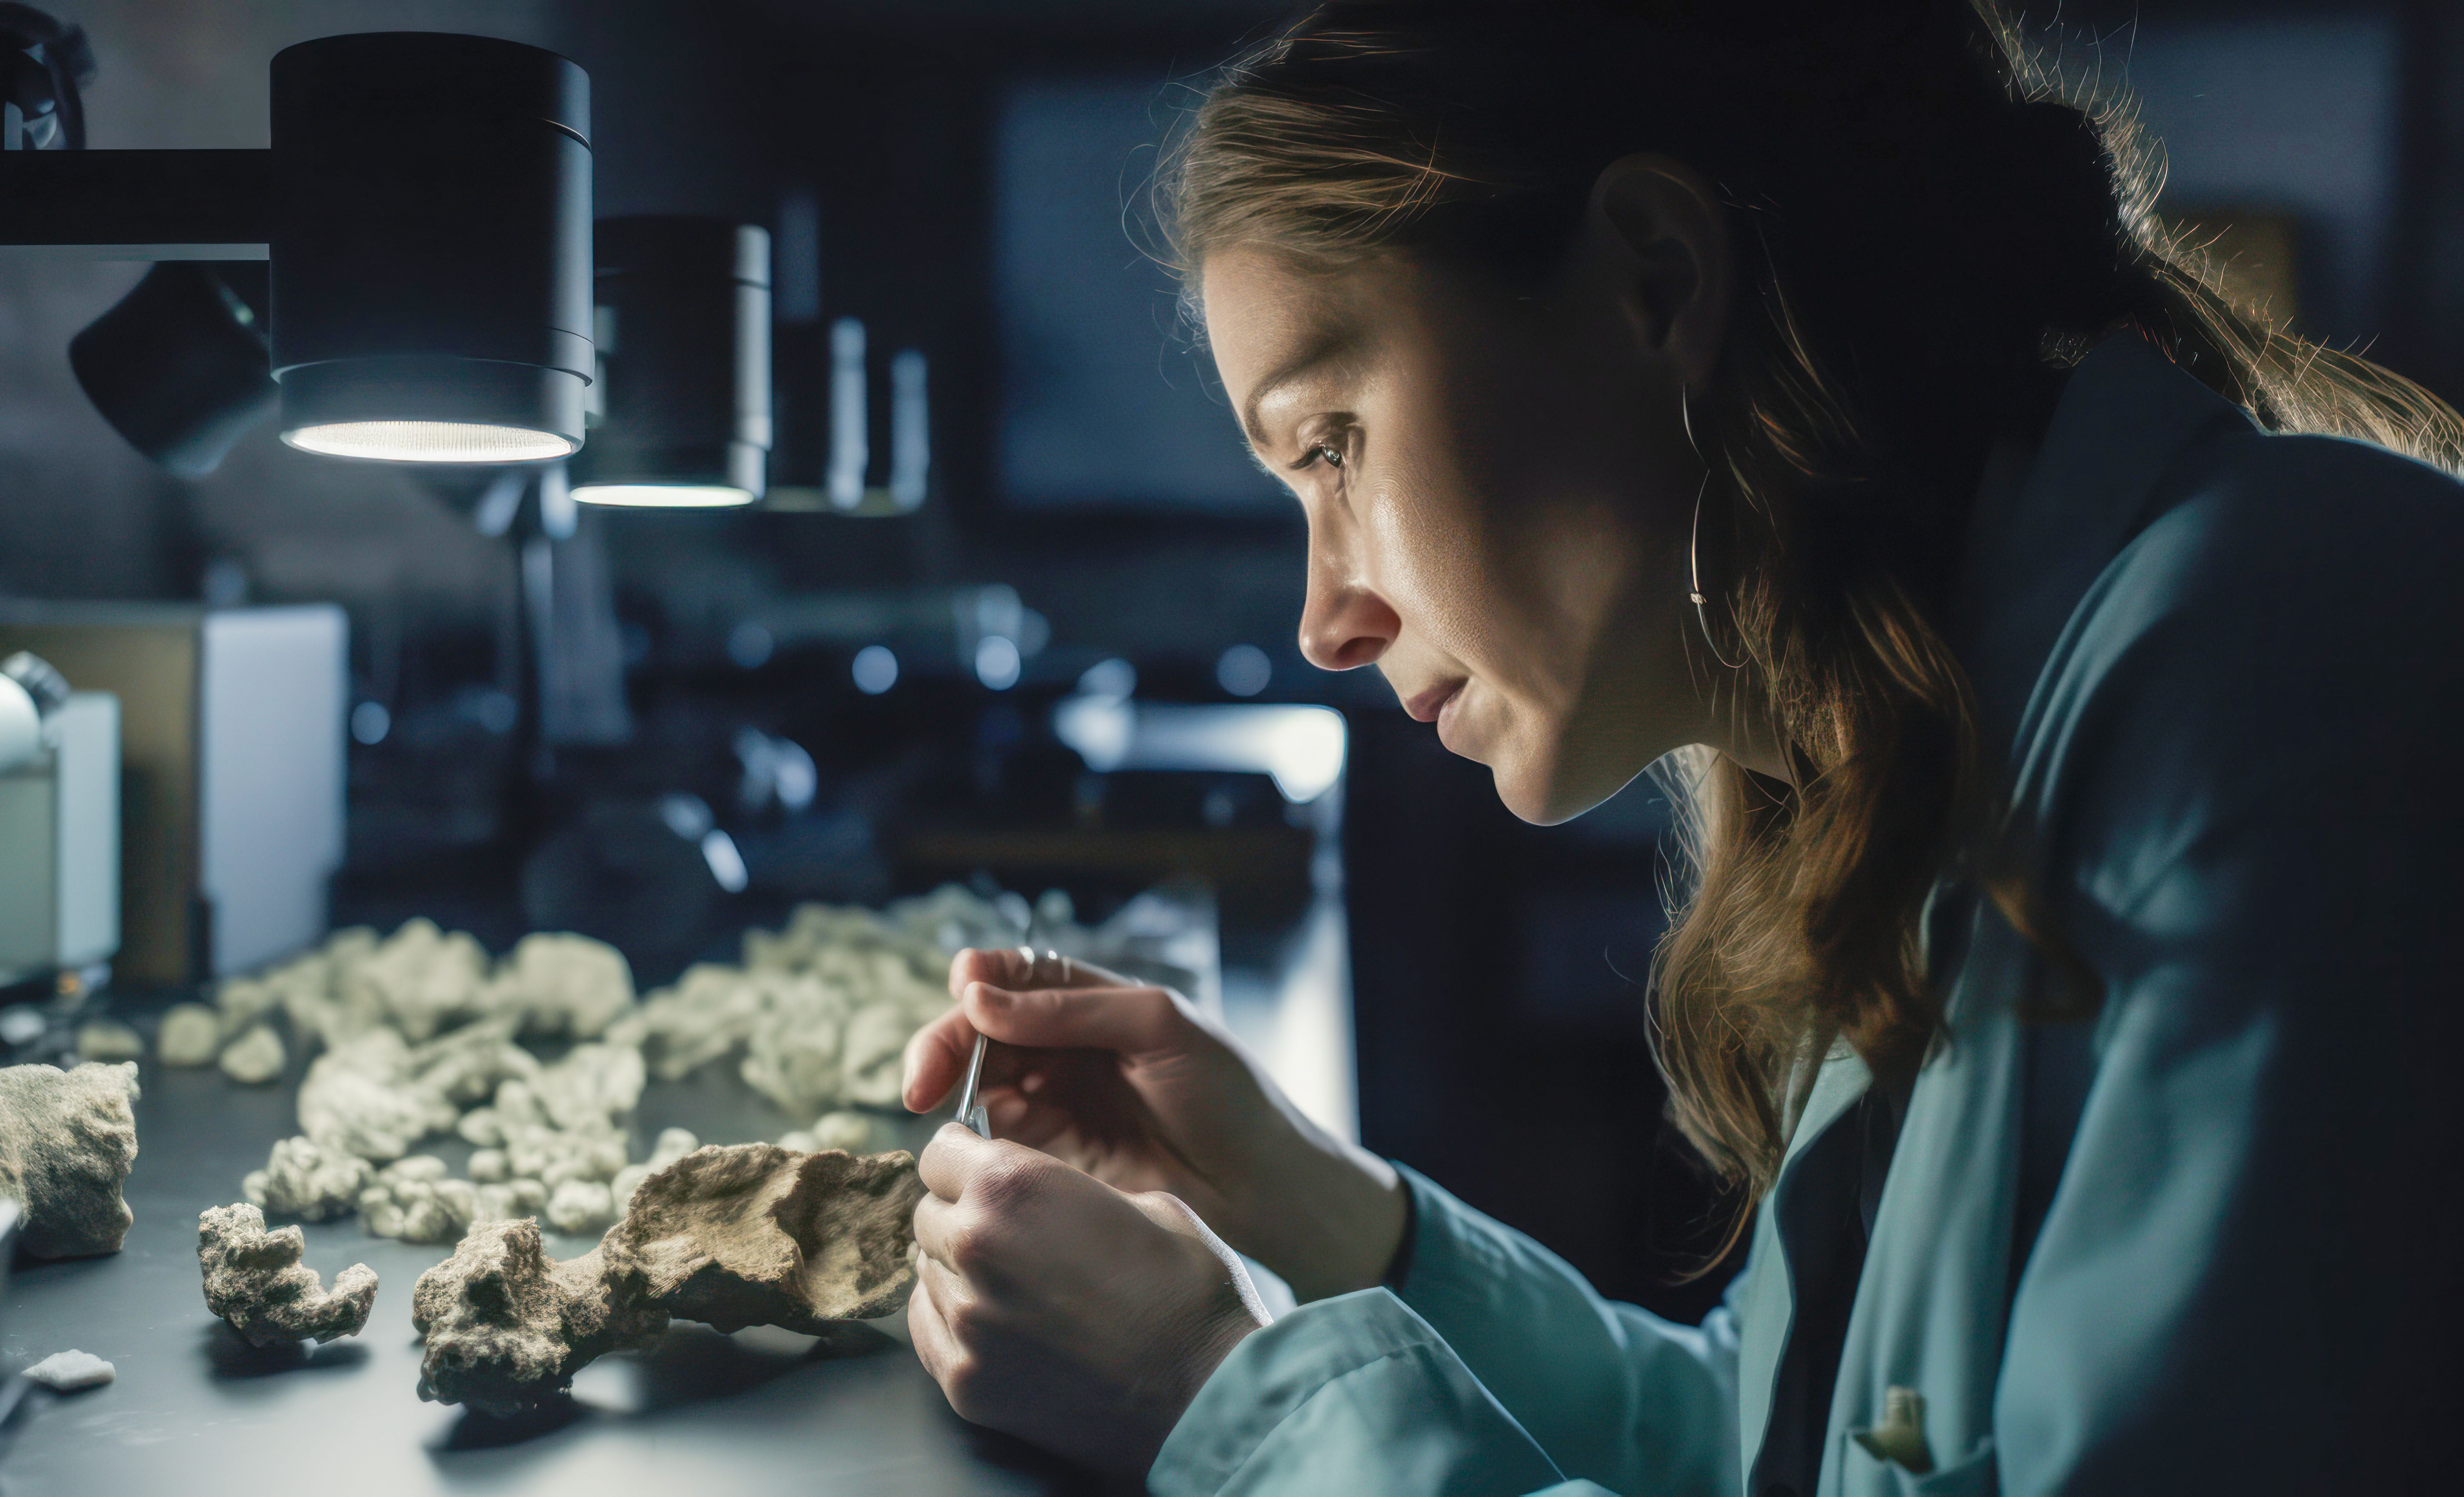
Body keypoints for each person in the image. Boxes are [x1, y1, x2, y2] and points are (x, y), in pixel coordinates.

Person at [900, 2, 2464, 1491]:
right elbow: (1804, 1450)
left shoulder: (2287, 669)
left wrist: (1214, 1391)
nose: (1328, 619)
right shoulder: (1941, 744)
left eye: (1334, 442)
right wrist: (1307, 1211)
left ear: (1652, 280)